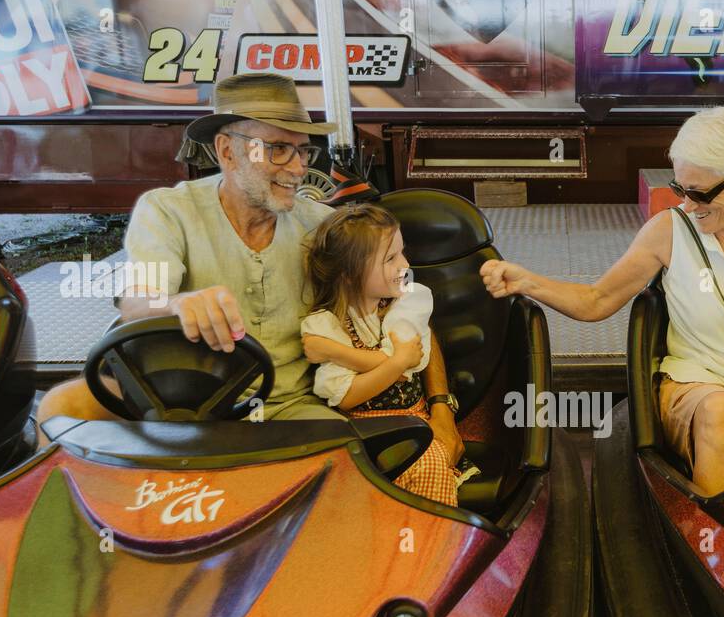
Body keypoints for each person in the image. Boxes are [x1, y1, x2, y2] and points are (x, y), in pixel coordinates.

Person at [35, 72, 464, 465]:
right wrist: (179, 303)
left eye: (302, 151)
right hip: (184, 407)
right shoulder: (169, 211)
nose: (298, 169)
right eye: (279, 150)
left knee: (345, 474)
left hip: (292, 410)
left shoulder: (321, 226)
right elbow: (138, 302)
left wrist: (442, 407)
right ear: (228, 150)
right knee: (61, 407)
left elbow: (408, 307)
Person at [480, 106, 724, 494]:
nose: (689, 205)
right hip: (700, 382)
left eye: (702, 193)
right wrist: (527, 281)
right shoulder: (668, 231)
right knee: (722, 414)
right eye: (681, 189)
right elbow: (596, 300)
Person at [301, 204, 472, 506]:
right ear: (351, 275)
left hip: (415, 419)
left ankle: (430, 543)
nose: (405, 264)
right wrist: (395, 361)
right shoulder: (326, 323)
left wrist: (334, 352)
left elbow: (411, 362)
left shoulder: (404, 302)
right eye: (391, 258)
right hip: (364, 430)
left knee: (428, 464)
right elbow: (346, 397)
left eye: (402, 252)